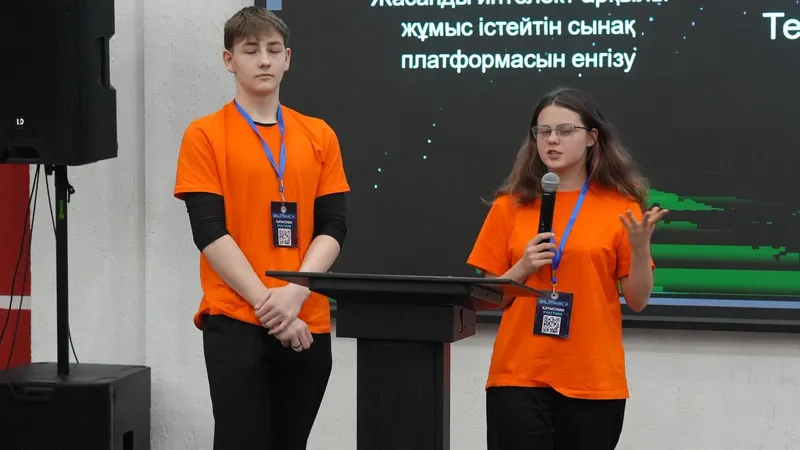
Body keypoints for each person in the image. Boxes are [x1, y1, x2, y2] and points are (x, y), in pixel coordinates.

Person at [172, 6, 350, 450]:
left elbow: (333, 226)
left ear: (287, 58)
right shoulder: (205, 134)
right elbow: (209, 231)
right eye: (251, 50)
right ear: (229, 60)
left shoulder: (319, 135)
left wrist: (295, 293)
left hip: (305, 319)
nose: (264, 60)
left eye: (273, 50)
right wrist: (270, 306)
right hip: (236, 318)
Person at [467, 86, 668, 450]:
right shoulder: (509, 206)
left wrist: (640, 250)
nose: (552, 140)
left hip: (591, 378)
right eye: (543, 131)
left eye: (565, 130)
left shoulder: (619, 207)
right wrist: (521, 268)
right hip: (518, 374)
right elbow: (484, 299)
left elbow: (637, 300)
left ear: (592, 137)